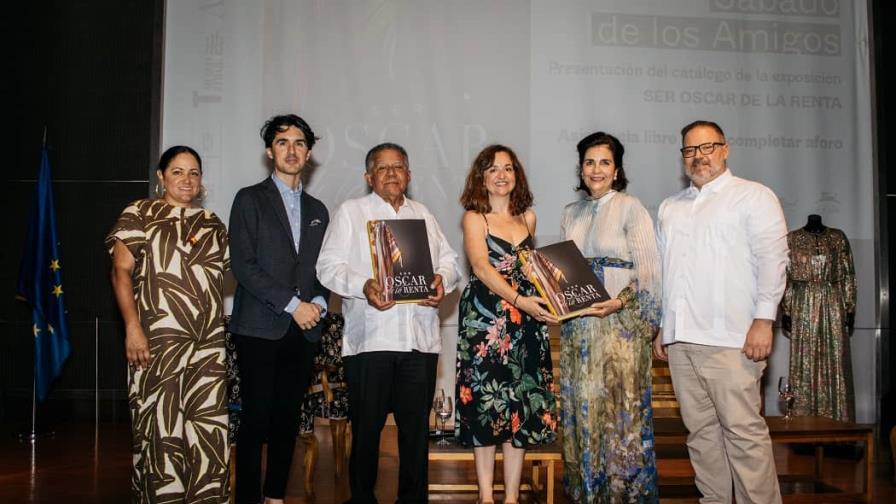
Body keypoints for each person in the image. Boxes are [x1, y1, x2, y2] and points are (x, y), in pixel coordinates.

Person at [316, 142, 460, 504]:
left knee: (414, 434)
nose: (392, 173)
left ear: (409, 175)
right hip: (371, 342)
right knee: (366, 432)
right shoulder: (352, 212)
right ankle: (362, 499)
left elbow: (451, 261)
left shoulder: (423, 214)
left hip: (419, 342)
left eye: (399, 167)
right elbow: (327, 267)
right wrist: (362, 285)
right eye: (383, 168)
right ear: (368, 177)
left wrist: (442, 279)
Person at [654, 120, 788, 503]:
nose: (699, 156)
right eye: (690, 150)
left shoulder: (754, 197)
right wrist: (664, 326)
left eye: (707, 147)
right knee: (701, 438)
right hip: (681, 343)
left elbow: (773, 260)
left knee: (744, 436)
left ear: (725, 149)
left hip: (733, 340)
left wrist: (764, 320)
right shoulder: (669, 208)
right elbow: (668, 273)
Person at [107, 145, 230, 503]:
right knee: (160, 429)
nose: (187, 179)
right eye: (177, 171)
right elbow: (120, 273)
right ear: (161, 176)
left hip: (207, 346)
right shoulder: (139, 213)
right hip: (157, 342)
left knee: (209, 429)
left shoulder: (212, 224)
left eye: (194, 172)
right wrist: (132, 327)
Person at [229, 114, 329, 504]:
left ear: (309, 153)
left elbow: (324, 267)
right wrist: (293, 305)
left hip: (304, 330)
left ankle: (275, 496)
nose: (292, 149)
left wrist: (318, 302)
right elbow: (243, 264)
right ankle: (249, 498)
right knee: (255, 419)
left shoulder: (319, 208)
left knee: (288, 419)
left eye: (300, 142)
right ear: (270, 151)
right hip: (259, 326)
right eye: (283, 142)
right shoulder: (249, 199)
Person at [559, 132, 661, 503]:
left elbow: (650, 273)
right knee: (583, 416)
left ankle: (624, 497)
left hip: (621, 332)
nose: (596, 169)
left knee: (622, 418)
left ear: (616, 169)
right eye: (589, 162)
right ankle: (586, 494)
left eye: (604, 162)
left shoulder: (631, 207)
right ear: (581, 169)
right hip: (579, 333)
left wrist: (620, 303)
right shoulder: (571, 213)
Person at [454, 145, 558, 504]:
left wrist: (554, 297)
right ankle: (486, 496)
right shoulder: (474, 218)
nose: (502, 175)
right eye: (494, 169)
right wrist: (518, 300)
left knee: (521, 408)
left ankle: (511, 497)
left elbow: (533, 269)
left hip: (527, 323)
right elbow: (481, 268)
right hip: (486, 323)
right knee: (488, 405)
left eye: (508, 168)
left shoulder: (528, 218)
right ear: (481, 176)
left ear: (517, 175)